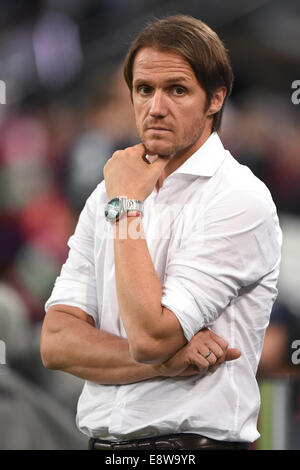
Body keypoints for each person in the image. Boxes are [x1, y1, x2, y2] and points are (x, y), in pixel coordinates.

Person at [40, 15, 282, 451]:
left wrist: (127, 207)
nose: (155, 107)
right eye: (144, 89)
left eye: (177, 90)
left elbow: (152, 336)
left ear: (215, 98)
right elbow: (56, 342)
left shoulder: (239, 197)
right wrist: (166, 365)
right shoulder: (107, 192)